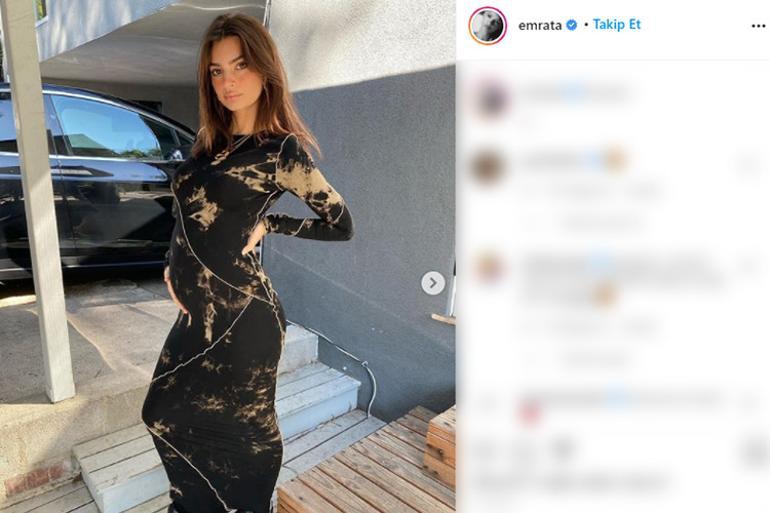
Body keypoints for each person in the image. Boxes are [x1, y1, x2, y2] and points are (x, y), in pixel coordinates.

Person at [140, 12, 354, 513]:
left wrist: (273, 223)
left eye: (240, 66)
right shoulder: (208, 144)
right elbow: (187, 212)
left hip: (245, 315)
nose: (228, 81)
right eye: (217, 71)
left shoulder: (281, 151)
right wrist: (173, 263)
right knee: (162, 415)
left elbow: (340, 224)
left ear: (265, 68)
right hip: (199, 312)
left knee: (247, 432)